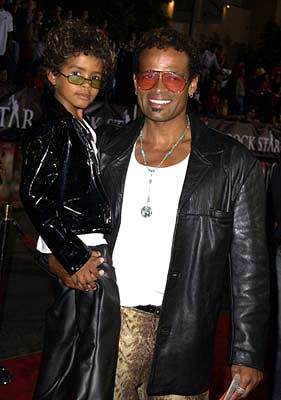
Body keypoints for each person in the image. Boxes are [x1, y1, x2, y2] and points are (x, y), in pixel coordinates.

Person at [50, 27, 270, 400]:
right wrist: (60, 263)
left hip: (187, 333)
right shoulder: (103, 147)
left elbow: (250, 266)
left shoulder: (231, 162)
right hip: (109, 326)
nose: (159, 88)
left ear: (193, 84)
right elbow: (56, 215)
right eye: (149, 75)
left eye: (173, 77)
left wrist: (247, 352)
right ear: (136, 82)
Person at [20, 19, 120, 400]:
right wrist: (74, 257)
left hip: (82, 246)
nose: (86, 86)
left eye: (95, 79)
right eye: (76, 75)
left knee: (66, 346)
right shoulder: (53, 128)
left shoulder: (81, 126)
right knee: (94, 348)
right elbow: (35, 195)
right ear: (51, 75)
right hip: (85, 249)